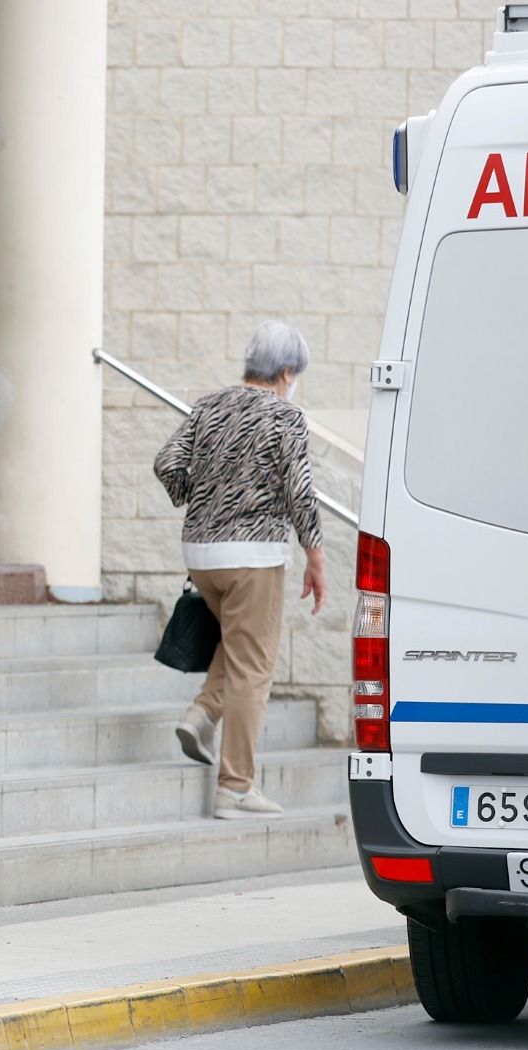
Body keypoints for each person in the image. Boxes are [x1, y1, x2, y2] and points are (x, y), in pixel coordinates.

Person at [154, 321, 327, 820]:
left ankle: (202, 713)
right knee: (254, 667)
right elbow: (300, 491)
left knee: (238, 645)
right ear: (287, 372)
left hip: (201, 556)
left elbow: (167, 462)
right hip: (253, 557)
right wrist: (315, 557)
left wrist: (200, 498)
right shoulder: (286, 416)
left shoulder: (209, 405)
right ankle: (234, 788)